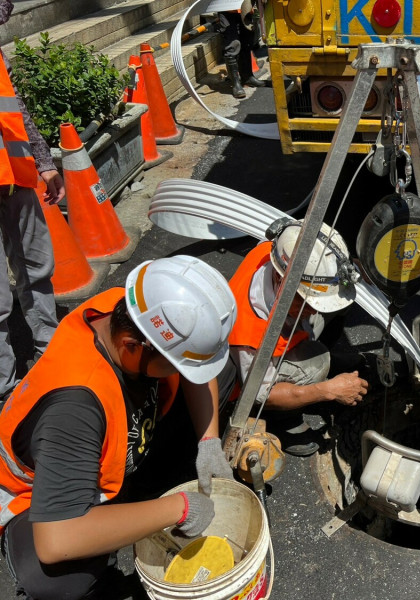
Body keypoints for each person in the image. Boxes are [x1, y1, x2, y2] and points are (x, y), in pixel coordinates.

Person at [0, 256, 238, 600]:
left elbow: (195, 371)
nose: (183, 373)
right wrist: (179, 509)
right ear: (131, 347)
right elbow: (57, 540)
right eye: (173, 363)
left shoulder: (134, 312)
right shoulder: (74, 409)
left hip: (117, 445)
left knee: (225, 373)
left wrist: (209, 441)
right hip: (39, 495)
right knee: (57, 582)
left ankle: (140, 495)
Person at [228, 218, 369, 457]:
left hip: (287, 327)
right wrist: (328, 390)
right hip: (253, 380)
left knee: (340, 300)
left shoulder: (279, 255)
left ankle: (315, 353)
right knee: (318, 363)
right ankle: (282, 419)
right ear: (283, 283)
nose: (314, 310)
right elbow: (263, 393)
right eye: (306, 303)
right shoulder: (249, 332)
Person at [0, 0, 66, 401]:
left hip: (15, 177)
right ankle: (4, 391)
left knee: (37, 267)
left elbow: (14, 108)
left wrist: (42, 162)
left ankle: (50, 350)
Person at [216, 0, 267, 98]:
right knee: (232, 45)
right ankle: (236, 84)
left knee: (246, 42)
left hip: (244, 8)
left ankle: (247, 77)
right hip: (226, 10)